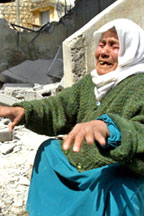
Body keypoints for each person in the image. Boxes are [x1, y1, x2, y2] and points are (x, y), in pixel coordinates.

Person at [1, 18, 144, 215]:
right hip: (83, 157)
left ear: (132, 49)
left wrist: (110, 128)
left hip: (118, 165)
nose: (103, 52)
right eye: (101, 44)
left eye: (114, 46)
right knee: (49, 152)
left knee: (116, 182)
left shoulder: (140, 84)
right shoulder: (92, 82)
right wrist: (24, 111)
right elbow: (60, 105)